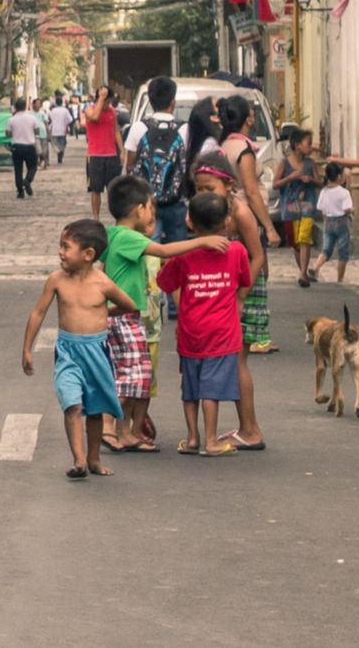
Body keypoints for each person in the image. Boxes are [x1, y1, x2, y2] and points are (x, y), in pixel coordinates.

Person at [100, 175, 231, 452]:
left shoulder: (113, 234)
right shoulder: (127, 236)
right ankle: (107, 426)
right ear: (139, 209)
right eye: (151, 207)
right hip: (125, 318)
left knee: (136, 377)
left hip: (125, 317)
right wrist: (201, 242)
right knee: (133, 377)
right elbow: (162, 249)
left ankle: (126, 433)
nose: (152, 214)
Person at [20, 219, 133, 479]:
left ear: (88, 254)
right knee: (72, 403)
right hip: (68, 352)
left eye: (66, 247)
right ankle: (79, 460)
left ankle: (94, 459)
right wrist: (27, 348)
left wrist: (104, 313)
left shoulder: (103, 284)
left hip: (97, 352)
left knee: (95, 409)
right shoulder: (56, 280)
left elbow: (129, 304)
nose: (60, 252)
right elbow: (38, 313)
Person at [156, 192, 254, 456]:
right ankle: (211, 440)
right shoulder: (236, 251)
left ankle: (192, 438)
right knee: (211, 387)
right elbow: (245, 281)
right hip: (222, 332)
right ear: (226, 222)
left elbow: (164, 282)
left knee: (190, 387)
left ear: (190, 222)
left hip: (190, 330)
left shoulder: (183, 254)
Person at [191, 153, 267, 450]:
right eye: (199, 189)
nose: (203, 194)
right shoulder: (209, 211)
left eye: (210, 189)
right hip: (225, 289)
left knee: (237, 359)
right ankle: (245, 427)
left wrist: (241, 298)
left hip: (245, 286)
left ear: (228, 184)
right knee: (230, 357)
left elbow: (257, 256)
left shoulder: (240, 212)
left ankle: (251, 430)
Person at [215, 95, 279, 354]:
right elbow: (252, 191)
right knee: (256, 268)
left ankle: (233, 327)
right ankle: (254, 333)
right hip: (247, 216)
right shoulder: (244, 149)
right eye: (252, 112)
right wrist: (270, 227)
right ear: (248, 118)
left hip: (229, 215)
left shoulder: (223, 146)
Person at [124, 77, 191, 243]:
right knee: (178, 251)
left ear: (150, 101)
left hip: (146, 203)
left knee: (149, 249)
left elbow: (130, 165)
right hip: (176, 202)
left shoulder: (139, 127)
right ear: (173, 102)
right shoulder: (185, 129)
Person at [270, 128, 321, 286]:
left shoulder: (310, 163)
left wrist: (310, 179)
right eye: (308, 143)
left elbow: (320, 182)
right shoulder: (284, 163)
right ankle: (304, 272)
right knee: (295, 242)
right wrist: (291, 177)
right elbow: (275, 184)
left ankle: (302, 274)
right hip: (290, 207)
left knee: (305, 237)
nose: (311, 147)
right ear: (297, 145)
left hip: (307, 204)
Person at [82, 85, 123, 219]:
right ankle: (96, 216)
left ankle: (116, 215)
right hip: (95, 155)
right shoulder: (89, 110)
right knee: (96, 189)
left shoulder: (112, 112)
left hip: (111, 154)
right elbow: (94, 117)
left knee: (113, 189)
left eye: (108, 100)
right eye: (106, 101)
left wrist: (121, 151)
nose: (107, 104)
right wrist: (101, 98)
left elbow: (116, 131)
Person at [315, 164, 355, 284]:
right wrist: (353, 209)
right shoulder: (344, 192)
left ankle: (315, 267)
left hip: (328, 222)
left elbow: (320, 207)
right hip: (341, 223)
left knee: (326, 250)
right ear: (339, 176)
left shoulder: (324, 191)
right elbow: (347, 209)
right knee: (343, 252)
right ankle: (340, 279)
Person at [6, 97, 40, 200]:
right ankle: (27, 181)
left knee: (18, 170)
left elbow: (7, 133)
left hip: (17, 147)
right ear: (25, 107)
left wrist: (15, 133)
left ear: (15, 107)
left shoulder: (11, 119)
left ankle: (20, 191)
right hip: (29, 146)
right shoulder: (31, 118)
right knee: (33, 167)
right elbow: (37, 131)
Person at [46, 93, 72, 164]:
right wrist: (66, 123)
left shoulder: (53, 111)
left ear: (56, 103)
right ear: (62, 102)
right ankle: (60, 156)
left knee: (55, 144)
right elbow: (70, 119)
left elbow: (50, 120)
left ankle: (59, 152)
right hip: (63, 130)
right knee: (62, 144)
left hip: (54, 130)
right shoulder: (65, 110)